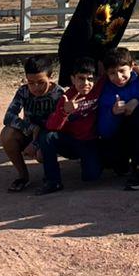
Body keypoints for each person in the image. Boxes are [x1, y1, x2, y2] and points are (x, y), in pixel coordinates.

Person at [96, 47, 139, 189]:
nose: (118, 77)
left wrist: (138, 101)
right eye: (112, 73)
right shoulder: (106, 90)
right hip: (118, 133)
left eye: (121, 71)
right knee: (112, 164)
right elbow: (103, 130)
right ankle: (123, 162)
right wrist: (112, 112)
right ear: (106, 73)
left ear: (132, 67)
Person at [38, 59, 103, 193]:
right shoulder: (66, 98)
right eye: (81, 78)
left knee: (91, 177)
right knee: (47, 136)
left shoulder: (99, 88)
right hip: (71, 142)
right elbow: (52, 126)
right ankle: (53, 181)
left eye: (90, 79)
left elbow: (119, 65)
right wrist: (65, 112)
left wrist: (137, 69)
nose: (86, 83)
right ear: (73, 79)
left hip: (90, 141)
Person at [0, 55, 64, 191]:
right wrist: (31, 128)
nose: (36, 87)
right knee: (7, 134)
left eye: (41, 82)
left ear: (51, 77)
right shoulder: (23, 91)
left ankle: (51, 175)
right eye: (31, 82)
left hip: (48, 136)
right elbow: (8, 117)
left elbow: (58, 126)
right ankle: (23, 176)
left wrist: (36, 143)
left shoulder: (59, 94)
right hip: (29, 132)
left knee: (42, 154)